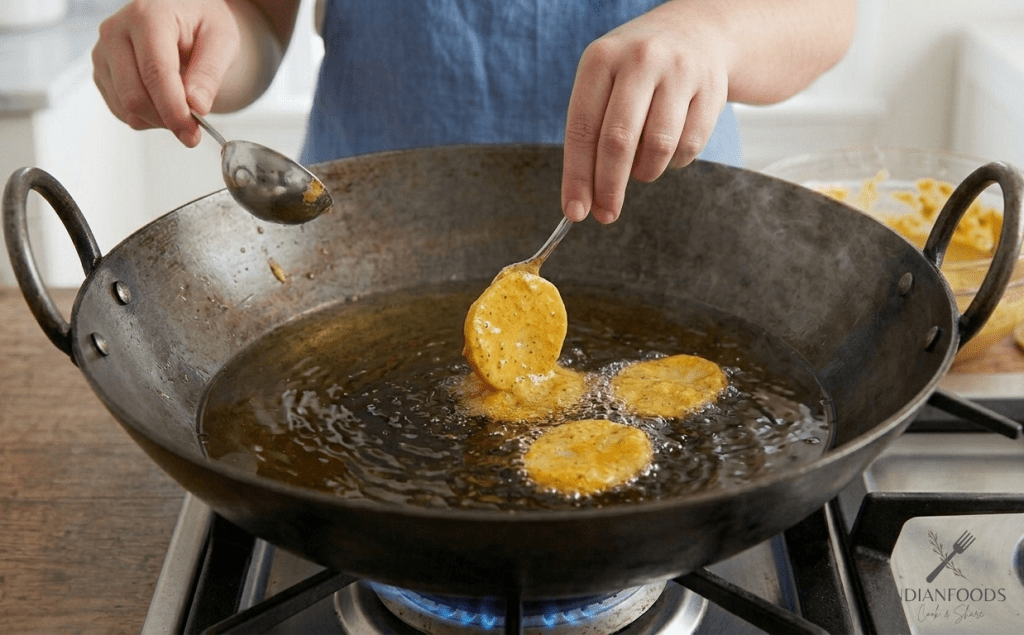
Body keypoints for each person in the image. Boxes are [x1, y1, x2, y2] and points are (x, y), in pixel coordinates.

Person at [91, 0, 856, 224]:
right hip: (362, 246)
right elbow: (254, 19)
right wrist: (196, 38)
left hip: (675, 239)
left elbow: (826, 14)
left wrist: (713, 32)